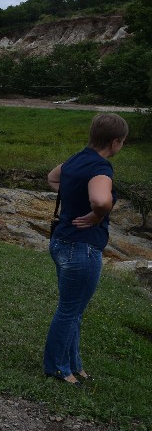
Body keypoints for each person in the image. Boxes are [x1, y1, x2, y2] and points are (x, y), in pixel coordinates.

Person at [43, 112, 129, 385]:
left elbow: (53, 178)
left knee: (74, 308)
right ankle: (56, 368)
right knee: (69, 310)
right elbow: (101, 200)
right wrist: (97, 215)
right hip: (81, 248)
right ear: (115, 142)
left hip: (61, 242)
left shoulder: (76, 159)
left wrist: (73, 201)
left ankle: (73, 364)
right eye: (123, 142)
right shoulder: (101, 168)